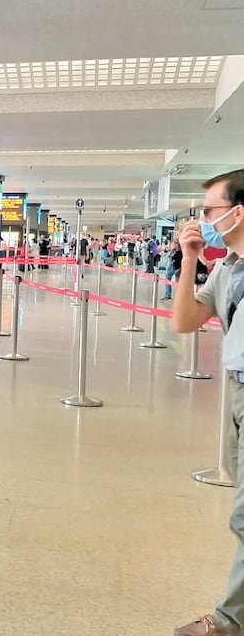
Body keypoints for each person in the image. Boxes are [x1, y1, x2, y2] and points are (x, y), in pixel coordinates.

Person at [172, 169, 244, 636]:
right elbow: (185, 320)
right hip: (238, 393)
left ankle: (230, 619)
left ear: (238, 212)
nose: (203, 219)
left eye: (211, 210)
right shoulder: (226, 269)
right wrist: (188, 260)